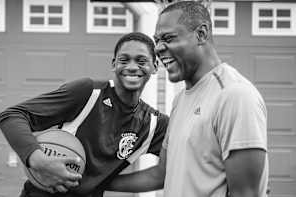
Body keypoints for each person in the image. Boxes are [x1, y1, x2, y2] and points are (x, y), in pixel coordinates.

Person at [107, 1, 269, 197]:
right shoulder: (180, 100)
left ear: (201, 34)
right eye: (157, 40)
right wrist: (96, 181)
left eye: (168, 38)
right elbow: (161, 174)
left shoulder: (235, 96)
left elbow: (246, 193)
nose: (158, 48)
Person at [0, 32, 169, 197]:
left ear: (155, 67)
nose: (132, 67)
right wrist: (40, 161)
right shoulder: (88, 93)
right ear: (113, 64)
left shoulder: (153, 124)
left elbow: (160, 176)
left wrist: (99, 181)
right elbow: (12, 116)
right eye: (124, 60)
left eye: (141, 61)